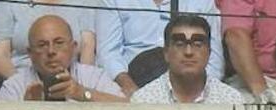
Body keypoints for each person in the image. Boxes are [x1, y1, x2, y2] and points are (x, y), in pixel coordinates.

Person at [96, 0, 224, 97]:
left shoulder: (202, 2)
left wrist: (197, 93)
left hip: (189, 85)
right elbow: (108, 52)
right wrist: (130, 88)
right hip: (129, 82)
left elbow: (214, 60)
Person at [0, 15, 126, 102]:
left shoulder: (93, 76)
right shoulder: (14, 85)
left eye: (59, 43)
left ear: (73, 47)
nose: (51, 51)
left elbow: (126, 107)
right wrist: (26, 109)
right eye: (42, 45)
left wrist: (81, 93)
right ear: (30, 53)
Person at [131, 14, 246, 103]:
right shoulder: (143, 100)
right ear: (166, 53)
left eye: (197, 44)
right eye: (180, 44)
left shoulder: (231, 100)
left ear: (209, 53)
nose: (188, 52)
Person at [0, 0, 95, 80]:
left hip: (72, 83)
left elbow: (87, 47)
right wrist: (23, 85)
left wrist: (77, 87)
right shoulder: (6, 3)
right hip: (19, 82)